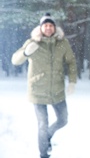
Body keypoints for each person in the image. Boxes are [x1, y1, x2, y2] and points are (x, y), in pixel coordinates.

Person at [11, 13, 77, 158]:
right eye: (45, 25)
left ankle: (47, 136)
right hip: (38, 91)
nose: (48, 28)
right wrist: (26, 52)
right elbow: (15, 60)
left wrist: (72, 81)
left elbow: (71, 62)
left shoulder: (62, 43)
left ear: (54, 28)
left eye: (50, 25)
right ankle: (44, 153)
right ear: (41, 28)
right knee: (42, 124)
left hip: (57, 90)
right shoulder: (33, 43)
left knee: (63, 120)